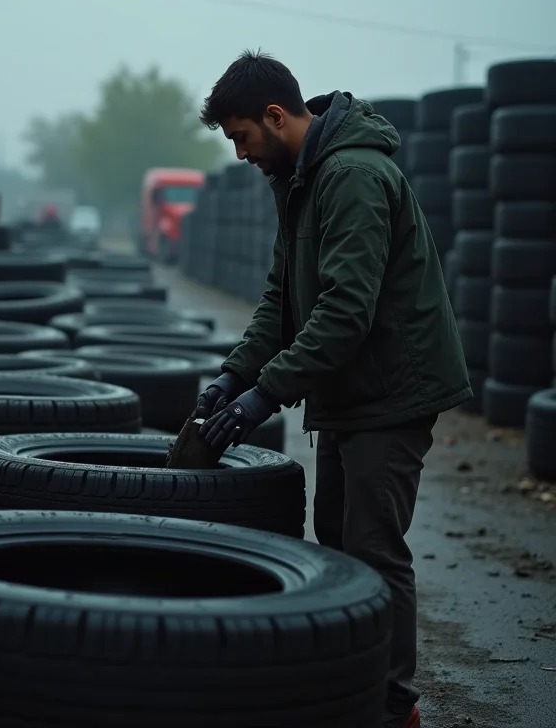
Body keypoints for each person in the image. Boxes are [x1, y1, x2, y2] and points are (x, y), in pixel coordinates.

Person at [193, 49, 470, 728]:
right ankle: (352, 688)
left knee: (374, 551)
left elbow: (345, 311)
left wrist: (267, 395)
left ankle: (392, 706)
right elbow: (281, 300)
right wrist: (235, 374)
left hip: (394, 389)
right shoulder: (299, 176)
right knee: (335, 542)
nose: (240, 154)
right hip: (347, 385)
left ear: (276, 115)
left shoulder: (351, 175)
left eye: (241, 137)